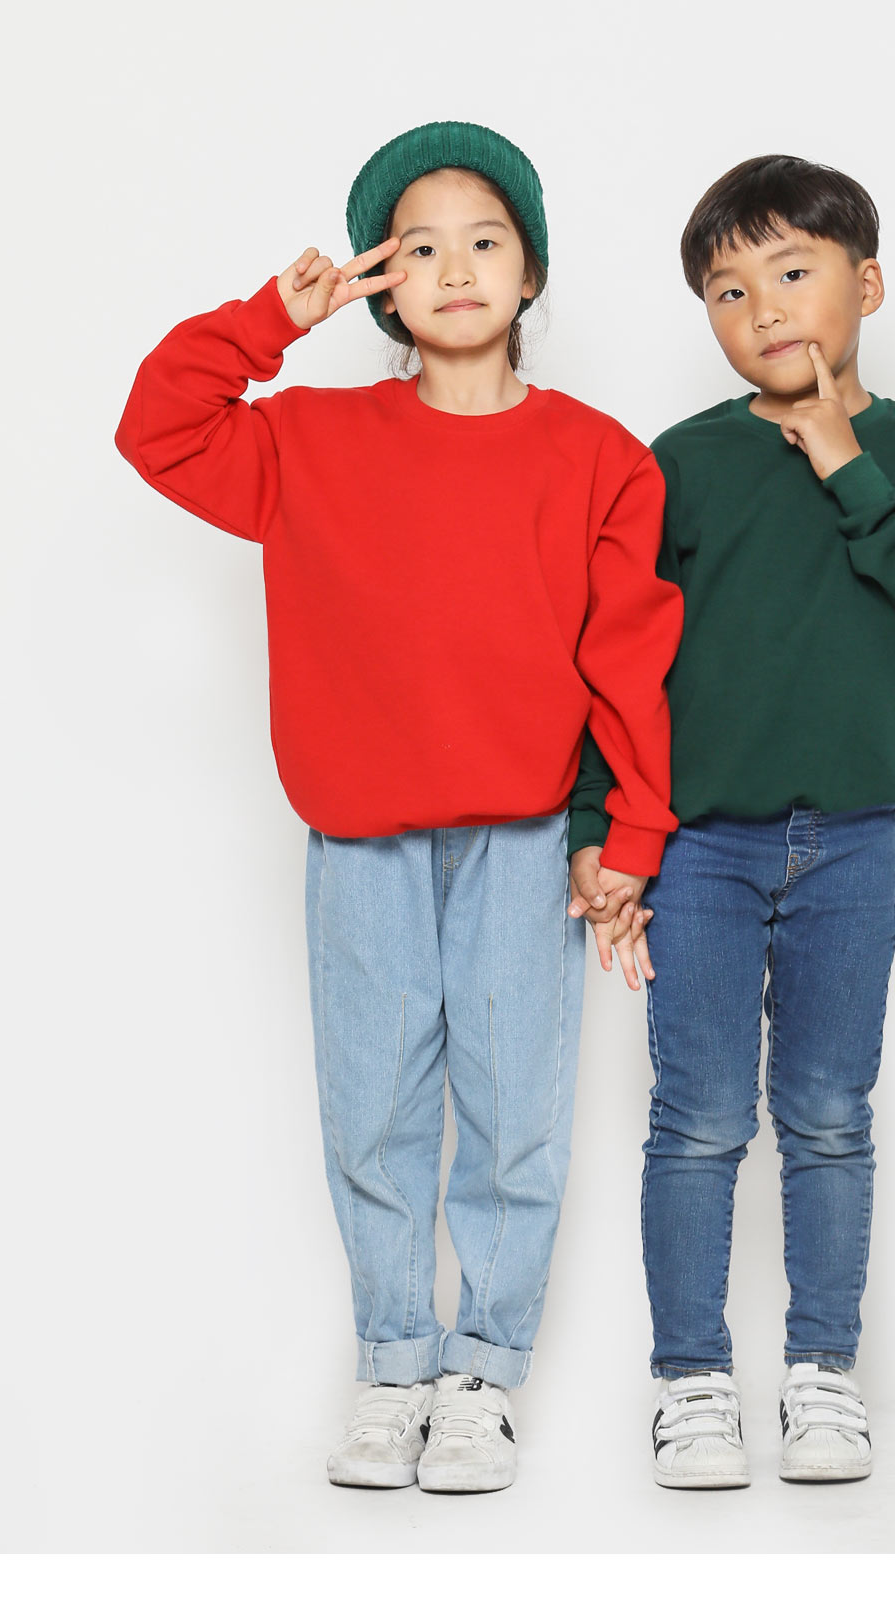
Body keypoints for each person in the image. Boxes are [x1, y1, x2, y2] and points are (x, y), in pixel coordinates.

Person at [115, 120, 682, 1494]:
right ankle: (389, 1362)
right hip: (358, 834)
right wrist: (273, 318)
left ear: (531, 271)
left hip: (524, 837)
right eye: (418, 247)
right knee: (371, 1108)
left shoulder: (600, 458)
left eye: (484, 240)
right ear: (381, 282)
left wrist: (632, 833)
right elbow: (157, 427)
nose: (456, 267)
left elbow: (629, 658)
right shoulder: (306, 439)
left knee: (515, 1112)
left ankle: (481, 1374)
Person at [568, 154, 895, 1487]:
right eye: (727, 288)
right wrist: (599, 828)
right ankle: (690, 1379)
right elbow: (615, 663)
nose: (762, 307)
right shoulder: (683, 462)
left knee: (825, 1112)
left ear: (866, 285)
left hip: (852, 842)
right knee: (697, 1116)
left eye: (793, 272)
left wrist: (844, 461)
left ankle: (823, 1373)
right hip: (701, 847)